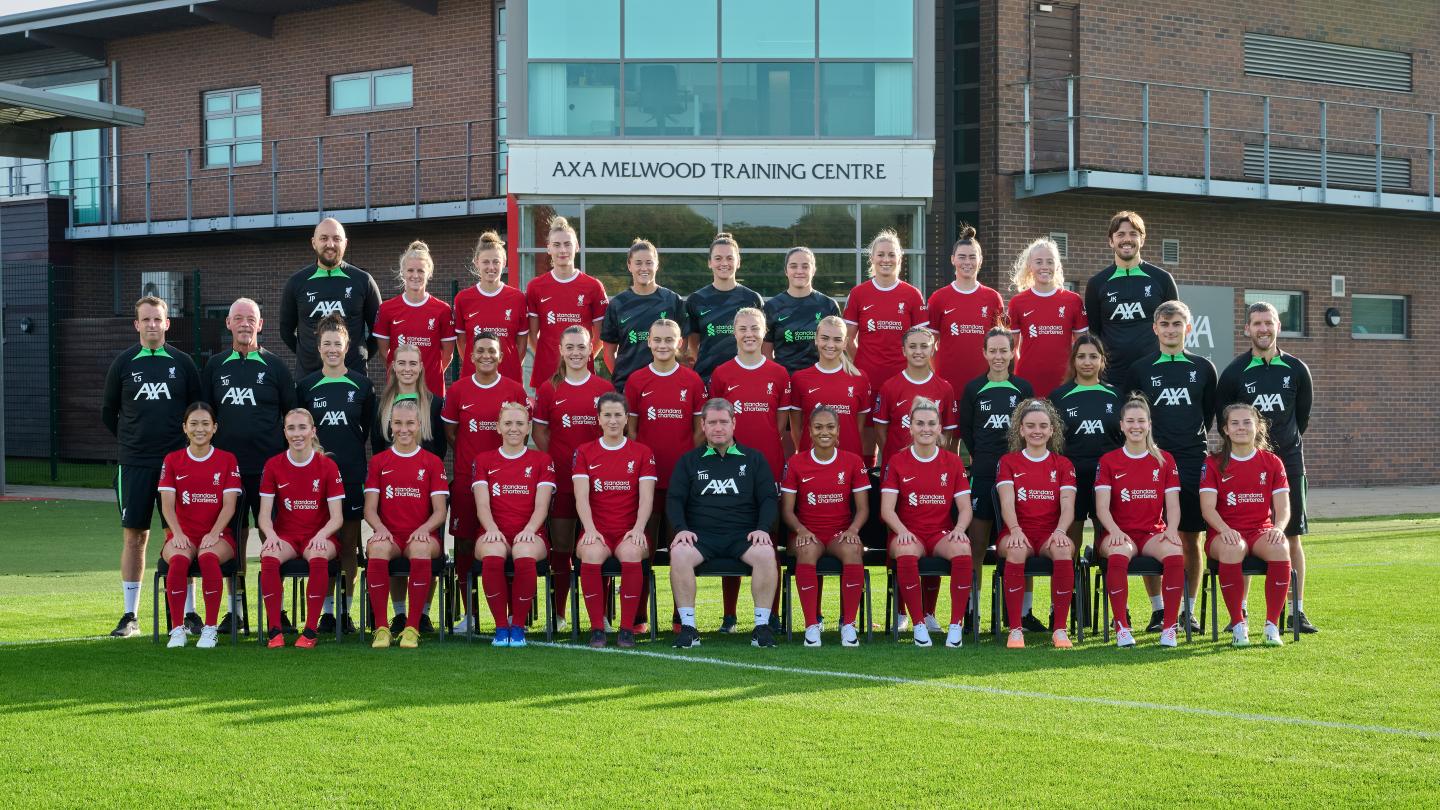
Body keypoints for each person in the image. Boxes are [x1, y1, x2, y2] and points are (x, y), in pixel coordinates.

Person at [101, 295, 202, 637]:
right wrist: (133, 442)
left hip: (177, 466)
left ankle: (189, 614)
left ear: (167, 323)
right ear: (137, 325)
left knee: (180, 535)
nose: (152, 325)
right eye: (145, 320)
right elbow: (108, 412)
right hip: (135, 464)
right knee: (135, 537)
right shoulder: (124, 363)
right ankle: (130, 616)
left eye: (157, 319)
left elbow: (197, 411)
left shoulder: (183, 363)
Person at [1215, 301, 1316, 633]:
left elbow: (1300, 420)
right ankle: (1240, 611)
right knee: (1241, 534)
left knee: (1291, 535)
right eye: (1256, 323)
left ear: (1278, 326)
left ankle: (1295, 610)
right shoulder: (1234, 373)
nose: (1263, 329)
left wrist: (1279, 449)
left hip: (1288, 461)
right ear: (1247, 329)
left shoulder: (1297, 370)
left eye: (1269, 322)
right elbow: (1223, 420)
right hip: (1243, 465)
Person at [201, 297, 296, 631]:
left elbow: (292, 417)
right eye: (237, 318)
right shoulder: (214, 367)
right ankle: (236, 611)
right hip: (229, 474)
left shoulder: (276, 367)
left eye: (250, 318)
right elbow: (204, 417)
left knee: (276, 538)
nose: (244, 324)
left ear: (260, 324)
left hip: (270, 472)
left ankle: (278, 613)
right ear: (228, 324)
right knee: (236, 540)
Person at [1122, 300, 1216, 633]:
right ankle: (1160, 610)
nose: (1171, 330)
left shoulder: (1204, 368)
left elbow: (1207, 415)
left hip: (1192, 461)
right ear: (1155, 329)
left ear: (1187, 328)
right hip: (1153, 461)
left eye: (1177, 324)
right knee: (1152, 536)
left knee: (1189, 540)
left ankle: (1187, 611)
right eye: (1165, 324)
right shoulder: (1141, 369)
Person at [667, 399, 780, 650]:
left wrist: (762, 528)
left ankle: (761, 627)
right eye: (712, 422)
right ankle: (688, 628)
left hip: (743, 535)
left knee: (765, 553)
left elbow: (768, 499)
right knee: (680, 553)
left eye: (724, 422)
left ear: (733, 424)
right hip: (701, 536)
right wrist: (681, 529)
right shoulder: (689, 461)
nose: (718, 428)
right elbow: (674, 499)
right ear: (703, 425)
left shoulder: (754, 459)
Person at [708, 308, 793, 631]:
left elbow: (780, 426)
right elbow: (714, 425)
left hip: (768, 467)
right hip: (728, 469)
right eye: (742, 329)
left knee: (768, 539)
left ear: (764, 331)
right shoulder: (722, 374)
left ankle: (770, 614)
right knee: (732, 533)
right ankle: (729, 615)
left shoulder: (779, 374)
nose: (749, 334)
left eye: (755, 328)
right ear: (734, 332)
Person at [442, 333, 530, 633]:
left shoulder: (515, 390)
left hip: (509, 481)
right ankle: (470, 613)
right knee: (466, 545)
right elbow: (451, 434)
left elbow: (523, 431)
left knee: (505, 541)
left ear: (502, 356)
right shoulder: (458, 390)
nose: (485, 356)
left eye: (491, 351)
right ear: (470, 355)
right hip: (469, 480)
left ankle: (506, 615)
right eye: (479, 351)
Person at [296, 315, 376, 636]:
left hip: (352, 475)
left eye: (337, 344)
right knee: (321, 543)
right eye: (326, 343)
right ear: (318, 347)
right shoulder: (305, 387)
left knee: (347, 547)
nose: (332, 349)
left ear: (347, 347)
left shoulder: (362, 385)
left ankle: (345, 610)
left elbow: (365, 429)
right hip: (316, 480)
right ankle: (326, 612)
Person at [533, 325, 615, 633]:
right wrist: (555, 459)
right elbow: (539, 431)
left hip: (600, 484)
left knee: (599, 544)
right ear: (561, 351)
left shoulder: (602, 389)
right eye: (570, 347)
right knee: (563, 548)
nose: (576, 352)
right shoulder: (548, 389)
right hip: (564, 482)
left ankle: (602, 615)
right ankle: (559, 613)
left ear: (590, 349)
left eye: (582, 347)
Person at [957, 327, 1035, 628]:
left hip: (1020, 475)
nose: (999, 356)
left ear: (1013, 352)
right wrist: (986, 460)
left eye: (1005, 350)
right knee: (977, 542)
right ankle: (971, 608)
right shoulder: (973, 389)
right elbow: (968, 433)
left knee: (1019, 540)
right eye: (993, 351)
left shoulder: (1024, 389)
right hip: (985, 473)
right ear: (985, 353)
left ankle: (1023, 613)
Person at [880, 399, 974, 648]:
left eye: (931, 423)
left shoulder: (952, 461)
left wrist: (959, 530)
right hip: (908, 532)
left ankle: (955, 626)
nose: (926, 428)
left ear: (939, 427)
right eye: (919, 423)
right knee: (906, 549)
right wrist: (902, 532)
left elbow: (965, 508)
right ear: (910, 427)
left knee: (963, 548)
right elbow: (887, 509)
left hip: (940, 533)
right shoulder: (897, 461)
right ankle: (919, 624)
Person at [1093, 396, 1184, 648]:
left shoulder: (1164, 459)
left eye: (1141, 421)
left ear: (1149, 424)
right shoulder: (1109, 460)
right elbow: (1102, 507)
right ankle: (1122, 626)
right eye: (1130, 421)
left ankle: (1169, 627)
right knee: (1119, 553)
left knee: (1176, 552)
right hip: (1119, 532)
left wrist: (1173, 530)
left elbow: (1173, 504)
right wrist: (1114, 531)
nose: (1136, 426)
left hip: (1152, 533)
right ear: (1121, 425)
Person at [1200, 403, 1293, 647]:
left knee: (1281, 548)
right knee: (1233, 548)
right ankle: (1238, 624)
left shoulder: (1272, 462)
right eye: (1235, 423)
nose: (1241, 427)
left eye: (1247, 422)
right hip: (1224, 533)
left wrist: (1278, 528)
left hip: (1260, 531)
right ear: (1225, 430)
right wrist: (1225, 530)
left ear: (1258, 427)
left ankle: (1271, 626)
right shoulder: (1213, 463)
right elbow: (1208, 508)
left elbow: (1283, 508)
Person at [572, 392, 658, 648]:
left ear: (626, 419)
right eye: (607, 415)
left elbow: (646, 499)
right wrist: (589, 529)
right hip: (597, 529)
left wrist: (639, 529)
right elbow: (581, 497)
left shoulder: (642, 452)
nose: (612, 420)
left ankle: (626, 629)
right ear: (598, 419)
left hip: (628, 530)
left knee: (633, 552)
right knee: (590, 553)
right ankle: (597, 629)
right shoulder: (585, 452)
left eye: (617, 415)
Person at [781, 406, 870, 647]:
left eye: (830, 427)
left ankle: (848, 625)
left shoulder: (852, 461)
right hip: (807, 532)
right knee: (807, 550)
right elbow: (787, 510)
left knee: (853, 549)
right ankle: (812, 625)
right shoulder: (796, 462)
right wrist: (801, 530)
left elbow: (863, 508)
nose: (824, 432)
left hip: (839, 534)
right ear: (809, 430)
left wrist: (852, 530)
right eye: (818, 427)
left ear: (838, 431)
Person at [363, 399, 449, 649]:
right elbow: (369, 509)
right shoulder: (379, 461)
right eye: (398, 423)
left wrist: (423, 529)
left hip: (422, 536)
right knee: (376, 548)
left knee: (421, 548)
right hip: (390, 535)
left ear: (419, 425)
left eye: (410, 423)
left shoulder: (432, 462)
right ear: (390, 426)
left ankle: (412, 627)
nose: (404, 429)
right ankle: (381, 628)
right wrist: (380, 529)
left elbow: (440, 511)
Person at [256, 409, 345, 649]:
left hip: (319, 535)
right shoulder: (274, 465)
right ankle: (275, 630)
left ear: (312, 431)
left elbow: (337, 518)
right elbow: (264, 515)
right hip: (286, 536)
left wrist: (321, 535)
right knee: (269, 555)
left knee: (318, 554)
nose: (297, 434)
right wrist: (271, 535)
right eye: (291, 428)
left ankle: (310, 631)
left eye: (302, 428)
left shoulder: (327, 465)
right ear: (284, 432)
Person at [156, 402, 241, 649]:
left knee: (208, 558)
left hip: (219, 534)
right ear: (184, 427)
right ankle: (177, 630)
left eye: (205, 423)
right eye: (193, 424)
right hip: (183, 534)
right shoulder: (173, 460)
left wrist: (214, 533)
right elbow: (167, 506)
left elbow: (229, 506)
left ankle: (210, 629)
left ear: (215, 428)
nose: (199, 429)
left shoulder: (227, 459)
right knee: (179, 559)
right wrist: (177, 534)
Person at [995, 398, 1078, 649]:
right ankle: (1015, 629)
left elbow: (1068, 506)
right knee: (1017, 548)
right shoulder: (1008, 462)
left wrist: (1061, 531)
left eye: (1043, 426)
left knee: (1064, 548)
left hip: (1050, 534)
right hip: (1017, 531)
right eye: (1030, 426)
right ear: (1021, 430)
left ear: (1052, 430)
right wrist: (1016, 530)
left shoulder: (1063, 464)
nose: (1037, 431)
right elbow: (1007, 503)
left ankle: (1060, 630)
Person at [472, 402, 556, 648]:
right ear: (498, 427)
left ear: (529, 427)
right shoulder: (484, 460)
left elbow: (542, 506)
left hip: (532, 531)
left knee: (524, 550)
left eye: (520, 423)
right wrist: (492, 529)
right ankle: (500, 627)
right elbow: (482, 506)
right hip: (492, 529)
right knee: (494, 550)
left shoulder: (541, 460)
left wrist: (529, 530)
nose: (513, 429)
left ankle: (518, 627)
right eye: (507, 423)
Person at [624, 318, 704, 535]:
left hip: (681, 473)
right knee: (645, 536)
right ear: (649, 342)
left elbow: (699, 430)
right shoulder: (636, 380)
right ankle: (643, 571)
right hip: (647, 473)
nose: (662, 345)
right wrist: (640, 462)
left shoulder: (693, 380)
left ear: (679, 343)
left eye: (669, 340)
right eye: (657, 339)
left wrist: (688, 461)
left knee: (678, 537)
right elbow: (631, 429)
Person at [1083, 211, 1178, 387]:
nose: (1127, 239)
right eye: (1120, 234)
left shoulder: (1162, 279)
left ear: (1142, 239)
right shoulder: (1097, 283)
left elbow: (1174, 328)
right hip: (1111, 377)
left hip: (1154, 374)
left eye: (1133, 234)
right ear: (1111, 241)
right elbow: (1095, 333)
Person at [279, 217, 382, 377]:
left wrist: (358, 357)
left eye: (336, 239)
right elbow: (285, 331)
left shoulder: (363, 280)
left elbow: (379, 330)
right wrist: (308, 356)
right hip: (308, 378)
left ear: (345, 243)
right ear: (314, 242)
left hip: (354, 378)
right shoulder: (296, 282)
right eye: (324, 238)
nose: (330, 244)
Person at [1048, 336, 1121, 552]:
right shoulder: (1059, 396)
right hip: (1072, 475)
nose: (1087, 362)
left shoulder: (1115, 395)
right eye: (1081, 356)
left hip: (1107, 476)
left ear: (1102, 360)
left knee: (1106, 537)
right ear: (1073, 360)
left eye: (1093, 356)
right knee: (1071, 537)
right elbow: (1051, 440)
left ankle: (1108, 580)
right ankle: (1070, 583)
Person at [525, 215, 608, 389]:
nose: (562, 250)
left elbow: (600, 337)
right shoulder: (535, 287)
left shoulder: (593, 286)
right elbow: (533, 336)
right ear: (548, 249)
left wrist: (579, 357)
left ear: (576, 246)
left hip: (582, 372)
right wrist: (549, 355)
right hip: (547, 373)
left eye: (567, 244)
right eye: (556, 245)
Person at [843, 229, 928, 389]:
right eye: (881, 254)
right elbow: (848, 340)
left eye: (891, 254)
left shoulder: (913, 294)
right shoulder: (858, 293)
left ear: (899, 258)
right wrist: (863, 363)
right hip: (867, 378)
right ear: (872, 258)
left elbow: (922, 342)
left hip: (903, 379)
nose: (886, 260)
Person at [927, 225, 1006, 396]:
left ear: (980, 260)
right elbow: (929, 346)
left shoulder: (993, 298)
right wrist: (938, 376)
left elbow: (1002, 345)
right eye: (962, 257)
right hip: (948, 386)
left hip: (986, 386)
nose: (967, 262)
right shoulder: (938, 298)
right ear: (953, 259)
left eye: (972, 257)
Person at [1006, 237, 1088, 399]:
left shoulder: (1073, 301)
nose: (1044, 267)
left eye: (1050, 262)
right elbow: (1010, 348)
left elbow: (1082, 346)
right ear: (1030, 266)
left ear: (1057, 266)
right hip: (1028, 381)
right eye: (1039, 262)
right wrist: (1015, 378)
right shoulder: (1017, 302)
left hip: (1065, 382)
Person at [601, 239, 687, 391]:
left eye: (649, 262)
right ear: (629, 266)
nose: (644, 268)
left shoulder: (672, 300)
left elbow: (683, 344)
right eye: (638, 263)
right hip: (627, 387)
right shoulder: (618, 304)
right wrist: (622, 378)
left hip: (666, 385)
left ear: (657, 265)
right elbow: (608, 352)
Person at [375, 240, 456, 396]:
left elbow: (447, 355)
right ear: (403, 272)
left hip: (432, 391)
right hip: (398, 390)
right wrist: (404, 374)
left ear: (429, 273)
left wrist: (428, 374)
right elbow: (384, 352)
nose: (415, 275)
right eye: (410, 270)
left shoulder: (443, 310)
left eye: (421, 271)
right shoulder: (387, 309)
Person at [790, 316, 872, 461]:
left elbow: (857, 428)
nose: (830, 344)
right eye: (825, 338)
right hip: (811, 461)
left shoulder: (859, 378)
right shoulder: (799, 379)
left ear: (846, 342)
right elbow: (796, 429)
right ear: (816, 339)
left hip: (849, 461)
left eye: (837, 339)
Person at [873, 327, 958, 466]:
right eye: (912, 346)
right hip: (898, 469)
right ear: (904, 350)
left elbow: (948, 431)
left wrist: (933, 459)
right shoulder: (889, 387)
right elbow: (880, 432)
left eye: (924, 346)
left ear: (932, 350)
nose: (918, 351)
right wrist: (895, 461)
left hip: (932, 468)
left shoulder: (945, 388)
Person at [686, 232, 764, 382]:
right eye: (718, 258)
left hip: (744, 378)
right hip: (707, 378)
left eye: (730, 258)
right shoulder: (696, 300)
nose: (724, 263)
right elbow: (693, 344)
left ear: (738, 262)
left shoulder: (752, 299)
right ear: (709, 262)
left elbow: (760, 341)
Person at [454, 231, 527, 384]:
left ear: (504, 262)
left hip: (509, 377)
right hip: (474, 378)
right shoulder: (463, 299)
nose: (491, 267)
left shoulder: (518, 298)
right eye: (486, 262)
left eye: (496, 261)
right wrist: (481, 364)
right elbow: (462, 343)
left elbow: (521, 344)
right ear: (476, 262)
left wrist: (507, 365)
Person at [763, 247, 841, 373]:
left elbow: (838, 349)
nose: (799, 271)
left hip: (819, 381)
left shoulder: (828, 305)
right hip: (785, 382)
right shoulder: (772, 307)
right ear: (786, 271)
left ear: (813, 270)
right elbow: (766, 352)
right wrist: (778, 378)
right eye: (793, 266)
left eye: (805, 266)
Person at [371, 342, 447, 461]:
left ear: (420, 367)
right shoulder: (382, 405)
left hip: (423, 476)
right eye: (402, 363)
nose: (407, 369)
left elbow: (440, 449)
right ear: (394, 366)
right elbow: (377, 447)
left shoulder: (435, 404)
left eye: (413, 364)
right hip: (391, 475)